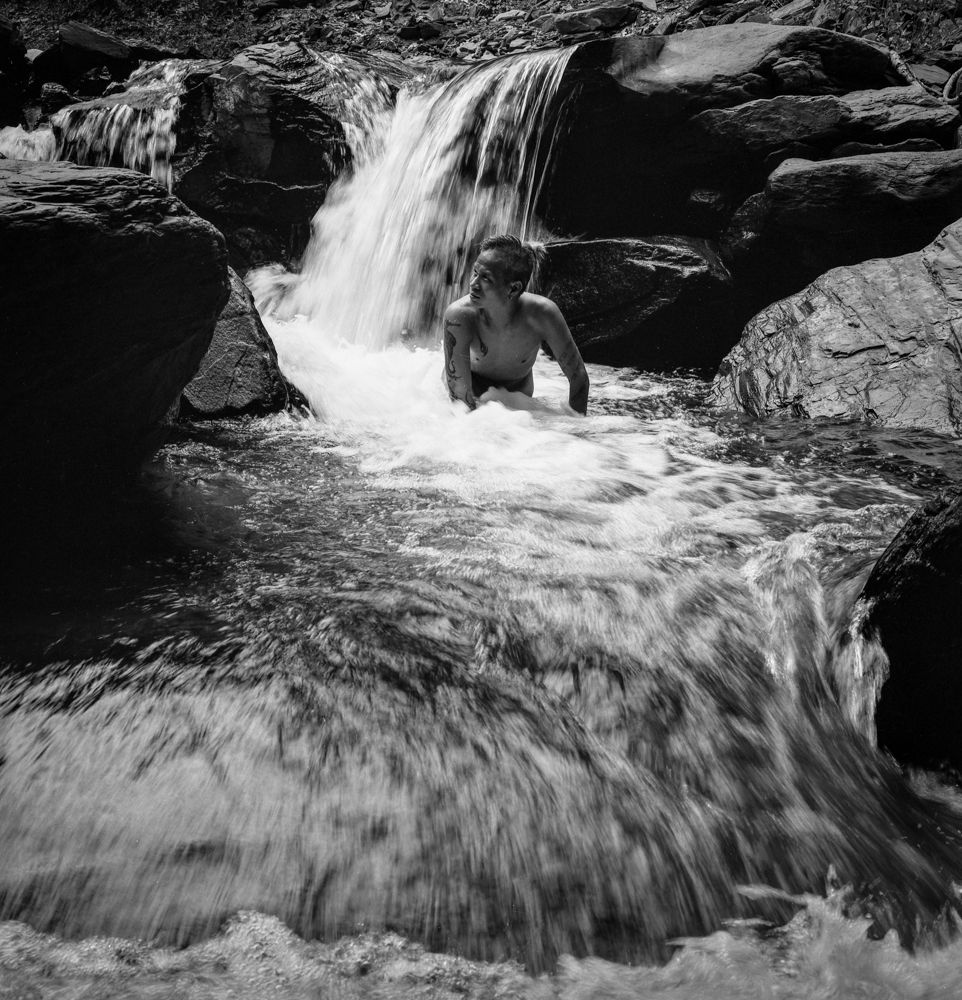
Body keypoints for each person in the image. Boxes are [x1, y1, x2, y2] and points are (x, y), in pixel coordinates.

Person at [442, 235, 589, 415]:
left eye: (486, 278)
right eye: (475, 273)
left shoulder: (542, 315)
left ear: (514, 288)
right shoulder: (459, 315)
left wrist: (577, 425)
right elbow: (460, 399)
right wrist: (476, 428)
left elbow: (578, 377)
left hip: (517, 407)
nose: (473, 284)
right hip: (472, 396)